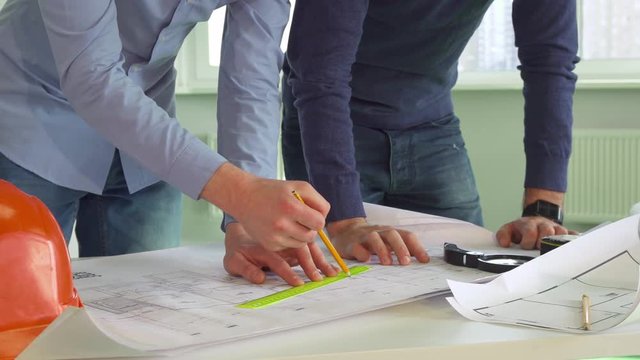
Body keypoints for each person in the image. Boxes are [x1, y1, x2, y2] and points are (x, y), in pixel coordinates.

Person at [0, 0, 337, 286]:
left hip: (146, 142)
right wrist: (241, 194)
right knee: (22, 313)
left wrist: (244, 221)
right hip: (31, 123)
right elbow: (92, 75)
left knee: (146, 313)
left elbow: (251, 81)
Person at [281, 0, 579, 263]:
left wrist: (543, 212)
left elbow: (550, 61)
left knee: (462, 279)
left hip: (432, 127)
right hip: (331, 125)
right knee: (341, 286)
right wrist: (345, 223)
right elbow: (321, 76)